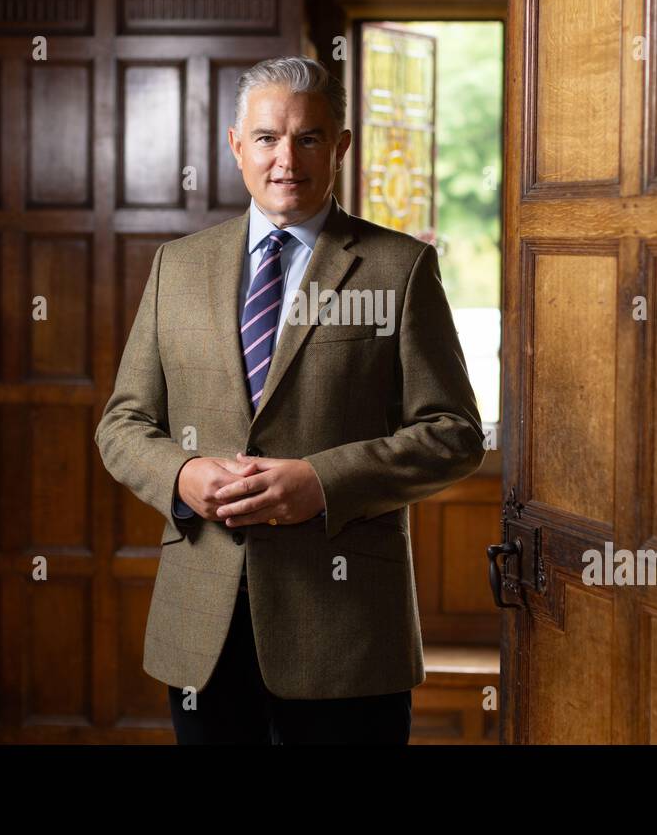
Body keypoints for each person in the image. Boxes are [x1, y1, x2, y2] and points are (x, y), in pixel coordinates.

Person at [94, 55, 484, 744]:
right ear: (236, 145)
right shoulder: (176, 266)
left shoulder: (399, 268)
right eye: (269, 137)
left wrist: (322, 481)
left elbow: (452, 431)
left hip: (347, 631)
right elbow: (122, 423)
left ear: (339, 146)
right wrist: (181, 475)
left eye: (308, 137)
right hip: (203, 627)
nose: (287, 158)